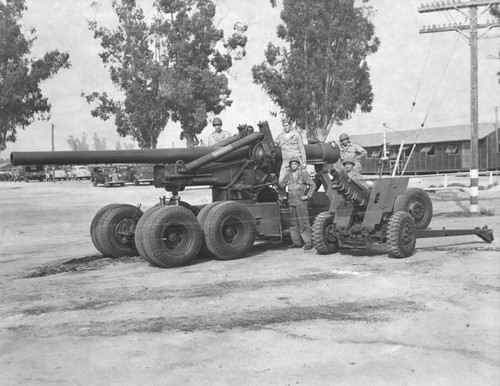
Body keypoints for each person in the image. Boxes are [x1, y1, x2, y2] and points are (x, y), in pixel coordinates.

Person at [280, 157, 315, 250]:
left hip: (301, 203)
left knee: (304, 223)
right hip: (291, 203)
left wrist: (307, 196)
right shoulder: (288, 175)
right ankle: (296, 242)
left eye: (295, 164)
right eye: (292, 164)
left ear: (298, 165)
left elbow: (313, 185)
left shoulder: (303, 174)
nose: (293, 165)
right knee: (293, 224)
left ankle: (308, 242)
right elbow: (282, 185)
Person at [274, 118, 306, 184]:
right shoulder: (281, 136)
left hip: (296, 160)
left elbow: (301, 148)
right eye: (284, 126)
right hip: (286, 161)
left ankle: (301, 194)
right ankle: (283, 194)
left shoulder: (296, 135)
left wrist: (304, 162)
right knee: (281, 181)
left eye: (287, 125)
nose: (285, 127)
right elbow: (273, 143)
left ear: (290, 126)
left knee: (299, 181)